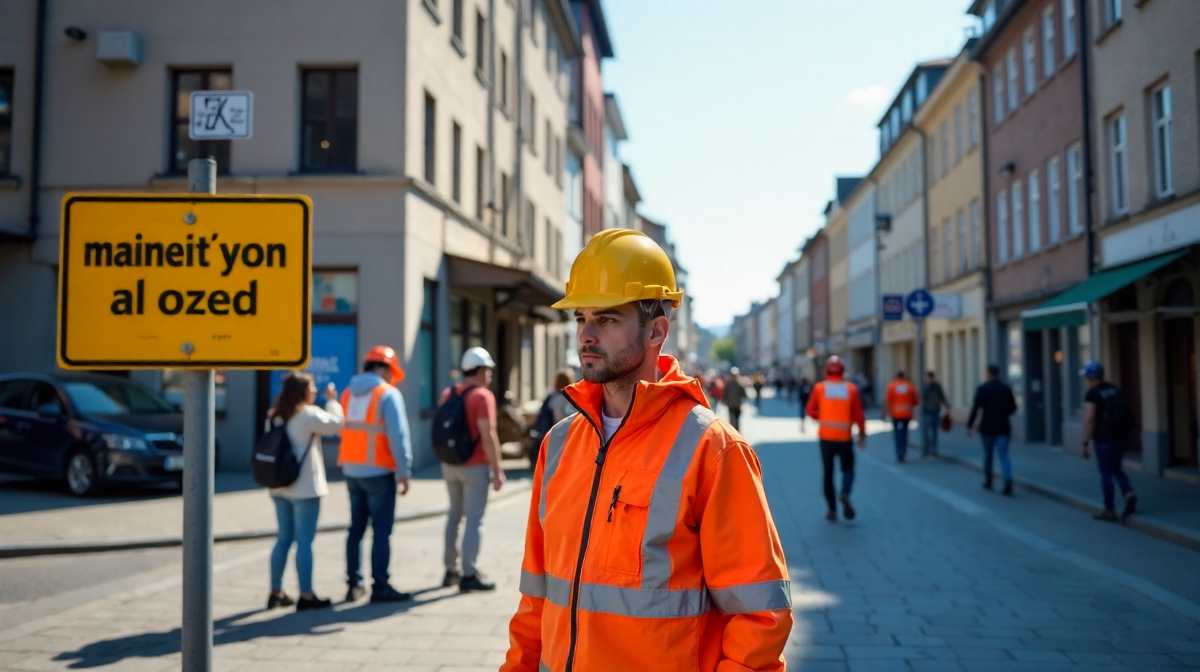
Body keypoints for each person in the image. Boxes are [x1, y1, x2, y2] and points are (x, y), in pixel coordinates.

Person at [502, 229, 791, 672]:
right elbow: (536, 596)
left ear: (657, 330)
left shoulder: (712, 448)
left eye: (608, 319)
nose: (587, 335)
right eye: (581, 318)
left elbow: (761, 614)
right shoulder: (558, 444)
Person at [340, 345, 413, 603]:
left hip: (351, 470)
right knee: (381, 531)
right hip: (379, 472)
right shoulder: (387, 394)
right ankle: (380, 587)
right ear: (384, 369)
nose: (391, 377)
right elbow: (398, 436)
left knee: (356, 530)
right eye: (391, 372)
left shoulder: (348, 393)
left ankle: (353, 584)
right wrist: (404, 471)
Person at [266, 372, 344, 611]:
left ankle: (276, 591)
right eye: (311, 388)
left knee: (283, 539)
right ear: (301, 391)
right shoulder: (307, 414)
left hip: (279, 486)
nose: (314, 392)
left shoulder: (274, 415)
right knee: (305, 542)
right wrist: (332, 400)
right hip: (305, 488)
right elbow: (337, 424)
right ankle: (306, 595)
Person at [440, 347, 506, 592]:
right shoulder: (482, 396)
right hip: (475, 466)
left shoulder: (448, 393)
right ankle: (469, 573)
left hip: (450, 464)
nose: (490, 374)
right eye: (488, 369)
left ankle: (450, 570)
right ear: (479, 370)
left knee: (453, 517)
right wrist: (497, 470)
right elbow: (488, 435)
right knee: (474, 520)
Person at [806, 356, 867, 521]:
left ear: (827, 369)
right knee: (848, 469)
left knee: (828, 473)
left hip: (826, 437)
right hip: (844, 438)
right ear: (842, 370)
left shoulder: (820, 388)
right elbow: (859, 415)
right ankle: (845, 493)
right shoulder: (851, 389)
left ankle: (832, 510)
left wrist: (823, 415)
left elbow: (810, 411)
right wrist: (862, 434)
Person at [1081, 361, 1138, 521]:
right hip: (1120, 436)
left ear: (1091, 377)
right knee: (1117, 468)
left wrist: (1085, 443)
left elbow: (1089, 418)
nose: (1084, 380)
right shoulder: (1114, 389)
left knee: (1105, 472)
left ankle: (1109, 509)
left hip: (1104, 438)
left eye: (1086, 376)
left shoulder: (1092, 393)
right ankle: (1128, 493)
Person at [966, 364, 1018, 495]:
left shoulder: (982, 389)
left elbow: (975, 408)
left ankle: (988, 481)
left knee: (988, 456)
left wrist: (969, 425)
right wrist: (1003, 412)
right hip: (1003, 427)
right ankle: (1008, 481)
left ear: (988, 373)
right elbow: (1013, 408)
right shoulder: (1005, 389)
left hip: (987, 427)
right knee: (1004, 455)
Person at [883, 371, 918, 463]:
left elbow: (887, 400)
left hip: (895, 414)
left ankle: (898, 452)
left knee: (897, 434)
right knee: (905, 434)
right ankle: (903, 452)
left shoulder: (892, 386)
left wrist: (884, 413)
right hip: (906, 414)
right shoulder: (909, 386)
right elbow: (915, 400)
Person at [920, 371, 951, 458]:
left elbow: (942, 397)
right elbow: (921, 399)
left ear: (931, 378)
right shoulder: (924, 387)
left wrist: (948, 407)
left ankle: (933, 449)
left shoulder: (937, 387)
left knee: (934, 431)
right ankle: (926, 450)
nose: (925, 379)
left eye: (927, 378)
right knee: (926, 432)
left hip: (935, 411)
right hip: (926, 412)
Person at [722, 367, 748, 431]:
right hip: (732, 405)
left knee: (735, 420)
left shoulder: (738, 385)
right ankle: (734, 433)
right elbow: (725, 395)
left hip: (736, 405)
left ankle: (735, 433)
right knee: (732, 420)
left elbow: (744, 395)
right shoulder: (730, 385)